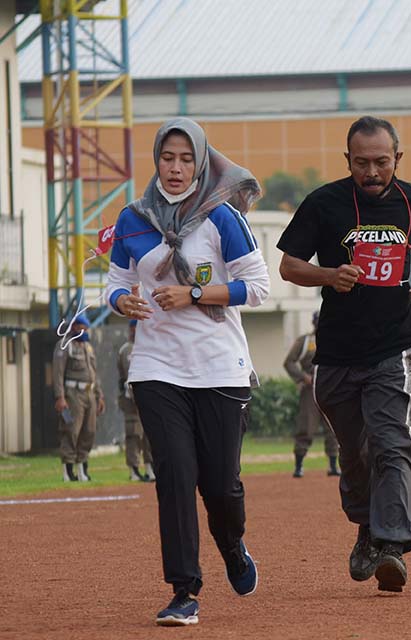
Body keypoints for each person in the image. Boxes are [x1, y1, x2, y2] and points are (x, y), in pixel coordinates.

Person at [105, 117, 269, 626]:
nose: (175, 169)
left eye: (185, 159)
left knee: (220, 486)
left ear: (200, 163)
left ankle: (233, 545)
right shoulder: (132, 219)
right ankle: (184, 591)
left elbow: (258, 287)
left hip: (220, 368)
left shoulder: (221, 217)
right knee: (175, 476)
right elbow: (112, 283)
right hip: (157, 367)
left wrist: (194, 293)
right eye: (167, 158)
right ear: (155, 160)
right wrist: (121, 301)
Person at [277, 115, 411, 594]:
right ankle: (368, 526)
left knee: (394, 442)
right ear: (347, 160)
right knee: (355, 452)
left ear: (398, 158)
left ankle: (393, 545)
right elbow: (289, 266)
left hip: (395, 346)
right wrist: (330, 275)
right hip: (336, 353)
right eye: (362, 163)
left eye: (382, 162)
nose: (372, 173)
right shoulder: (324, 204)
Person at [285, 311, 340, 478]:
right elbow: (289, 362)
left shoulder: (336, 339)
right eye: (318, 322)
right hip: (311, 389)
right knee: (306, 426)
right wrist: (303, 377)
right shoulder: (306, 341)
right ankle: (299, 466)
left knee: (334, 428)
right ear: (314, 323)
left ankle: (333, 466)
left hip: (331, 388)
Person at [52, 312, 105, 482]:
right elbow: (58, 373)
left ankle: (83, 469)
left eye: (86, 328)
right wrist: (60, 397)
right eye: (82, 328)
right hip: (73, 394)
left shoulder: (87, 347)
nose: (85, 331)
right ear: (74, 327)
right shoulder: (64, 345)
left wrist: (99, 396)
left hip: (89, 393)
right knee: (71, 431)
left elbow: (94, 373)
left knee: (89, 431)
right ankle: (68, 471)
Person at [117, 319, 155, 482]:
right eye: (132, 328)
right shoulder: (127, 350)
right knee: (134, 435)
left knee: (150, 435)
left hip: (149, 398)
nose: (134, 331)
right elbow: (128, 376)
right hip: (132, 400)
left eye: (136, 328)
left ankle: (149, 468)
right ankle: (134, 470)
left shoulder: (149, 347)